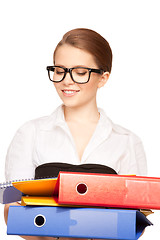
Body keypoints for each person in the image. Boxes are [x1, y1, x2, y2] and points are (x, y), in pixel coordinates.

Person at [4, 28, 147, 240]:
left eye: (80, 72)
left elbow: (137, 217)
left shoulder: (127, 142)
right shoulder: (29, 133)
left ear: (103, 78)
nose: (66, 81)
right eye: (60, 70)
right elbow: (11, 208)